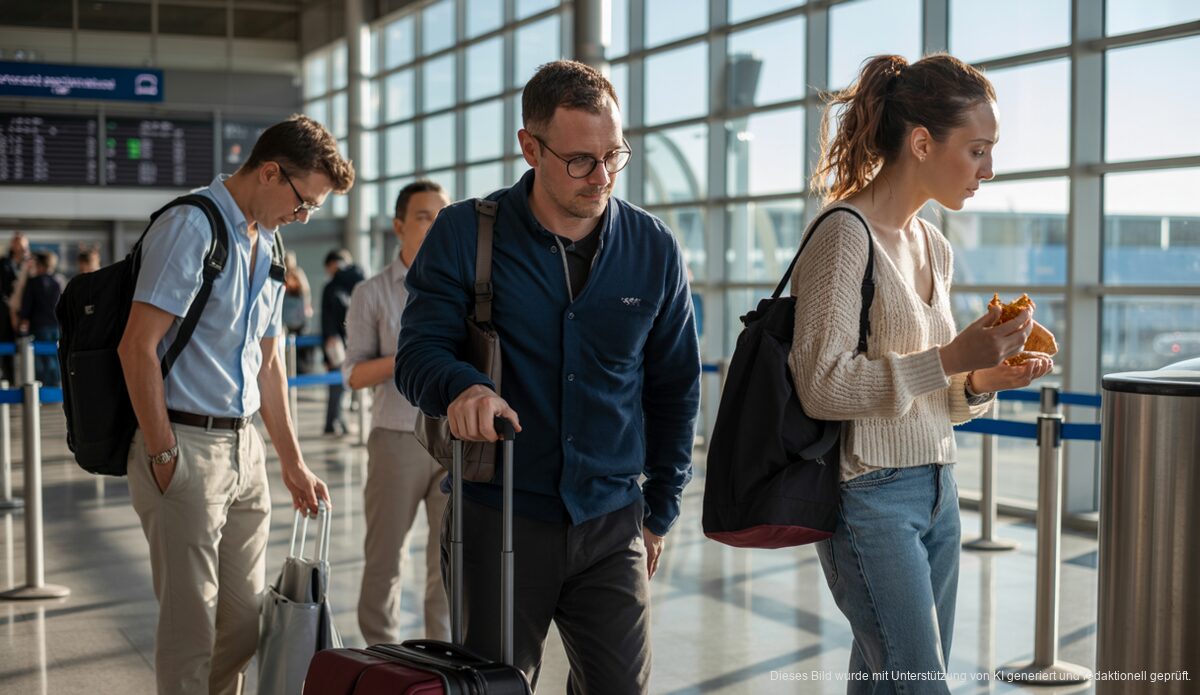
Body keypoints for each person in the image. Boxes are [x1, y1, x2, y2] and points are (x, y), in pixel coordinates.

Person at [395, 60, 700, 693]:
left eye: (615, 155)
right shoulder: (465, 233)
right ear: (529, 147)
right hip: (497, 517)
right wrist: (463, 385)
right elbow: (416, 354)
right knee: (497, 687)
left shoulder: (653, 249)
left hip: (612, 519)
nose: (603, 176)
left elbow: (674, 387)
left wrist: (660, 512)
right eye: (581, 160)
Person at [790, 54, 1054, 692]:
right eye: (978, 150)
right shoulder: (843, 234)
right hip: (869, 498)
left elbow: (934, 393)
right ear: (921, 142)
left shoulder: (935, 245)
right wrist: (952, 359)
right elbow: (821, 385)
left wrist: (983, 380)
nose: (989, 170)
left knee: (885, 683)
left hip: (939, 491)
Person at [116, 114, 351, 695]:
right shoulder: (191, 227)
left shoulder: (267, 241)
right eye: (304, 203)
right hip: (185, 446)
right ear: (270, 172)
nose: (302, 217)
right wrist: (164, 451)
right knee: (189, 630)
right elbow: (136, 346)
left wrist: (290, 461)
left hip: (244, 451)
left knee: (246, 624)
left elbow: (270, 364)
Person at [345, 180, 451, 645]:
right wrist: (412, 356)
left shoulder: (464, 290)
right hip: (395, 439)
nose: (435, 225)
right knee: (386, 560)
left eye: (442, 216)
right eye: (424, 216)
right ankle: (381, 658)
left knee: (448, 562)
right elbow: (354, 373)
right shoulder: (371, 293)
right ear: (399, 226)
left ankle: (445, 659)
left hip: (453, 441)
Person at [320, 248, 363, 436]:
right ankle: (337, 422)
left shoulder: (332, 287)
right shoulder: (355, 282)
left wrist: (326, 350)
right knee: (341, 385)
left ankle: (334, 423)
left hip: (336, 343)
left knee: (338, 386)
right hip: (350, 340)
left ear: (332, 265)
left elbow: (326, 319)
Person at [18, 251, 65, 386]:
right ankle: (56, 385)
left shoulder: (33, 282)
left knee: (41, 358)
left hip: (39, 325)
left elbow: (27, 304)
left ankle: (44, 388)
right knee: (55, 357)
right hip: (55, 325)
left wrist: (23, 319)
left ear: (40, 265)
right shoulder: (57, 282)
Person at [0, 232, 30, 382]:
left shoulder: (29, 263)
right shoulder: (4, 264)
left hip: (26, 314)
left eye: (22, 242)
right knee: (7, 347)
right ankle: (9, 380)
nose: (20, 246)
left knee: (27, 348)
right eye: (17, 242)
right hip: (6, 315)